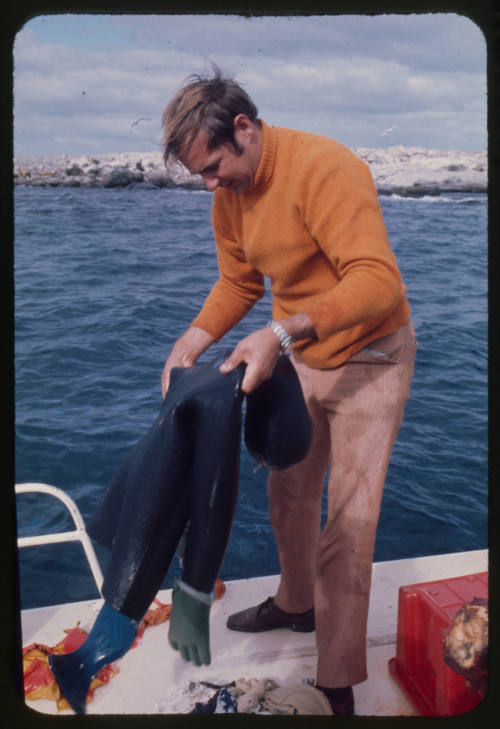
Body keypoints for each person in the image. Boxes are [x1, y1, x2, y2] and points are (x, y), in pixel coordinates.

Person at [161, 67, 417, 716]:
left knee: (348, 525)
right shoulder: (230, 192)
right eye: (201, 176)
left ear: (244, 127)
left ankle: (334, 683)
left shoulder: (325, 168)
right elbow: (240, 280)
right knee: (287, 492)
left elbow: (377, 281)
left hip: (373, 353)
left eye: (215, 165)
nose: (212, 184)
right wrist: (193, 337)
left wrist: (280, 330)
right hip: (305, 352)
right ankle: (296, 603)